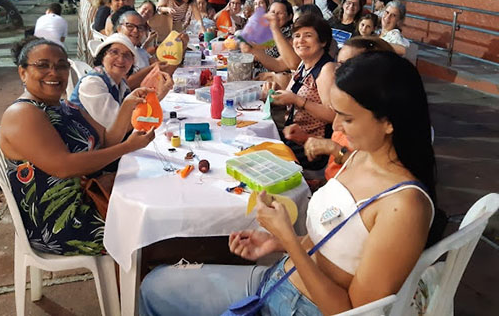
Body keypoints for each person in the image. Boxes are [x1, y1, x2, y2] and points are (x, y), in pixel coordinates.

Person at [140, 51, 437, 316]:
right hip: (279, 279)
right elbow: (333, 236)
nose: (335, 127)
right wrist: (279, 243)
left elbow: (349, 312)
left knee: (157, 293)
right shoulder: (361, 155)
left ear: (388, 122)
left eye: (346, 119)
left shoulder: (404, 206)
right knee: (154, 286)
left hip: (298, 305)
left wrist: (290, 241)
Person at [0, 37, 155, 255]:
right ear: (22, 72)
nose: (54, 72)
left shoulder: (67, 107)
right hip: (64, 221)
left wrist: (128, 105)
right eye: (43, 65)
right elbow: (64, 166)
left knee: (157, 196)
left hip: (91, 196)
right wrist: (127, 147)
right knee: (152, 228)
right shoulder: (23, 114)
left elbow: (107, 139)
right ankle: (145, 278)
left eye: (61, 66)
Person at [303, 36, 394, 182]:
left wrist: (334, 149)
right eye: (338, 64)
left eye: (346, 66)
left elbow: (373, 175)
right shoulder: (345, 106)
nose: (336, 72)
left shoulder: (373, 117)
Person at [268, 7, 336, 171]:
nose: (300, 41)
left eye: (308, 36)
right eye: (297, 36)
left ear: (323, 42)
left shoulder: (326, 69)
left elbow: (333, 115)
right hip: (291, 136)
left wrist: (297, 100)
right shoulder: (304, 64)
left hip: (309, 148)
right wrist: (275, 93)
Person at [240, 0, 295, 75]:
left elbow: (279, 65)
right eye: (272, 12)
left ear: (289, 17)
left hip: (275, 80)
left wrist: (254, 51)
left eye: (280, 13)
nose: (275, 16)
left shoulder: (291, 35)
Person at [78, 0, 100, 64]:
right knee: (92, 37)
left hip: (83, 12)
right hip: (91, 11)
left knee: (85, 36)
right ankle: (92, 61)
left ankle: (86, 60)